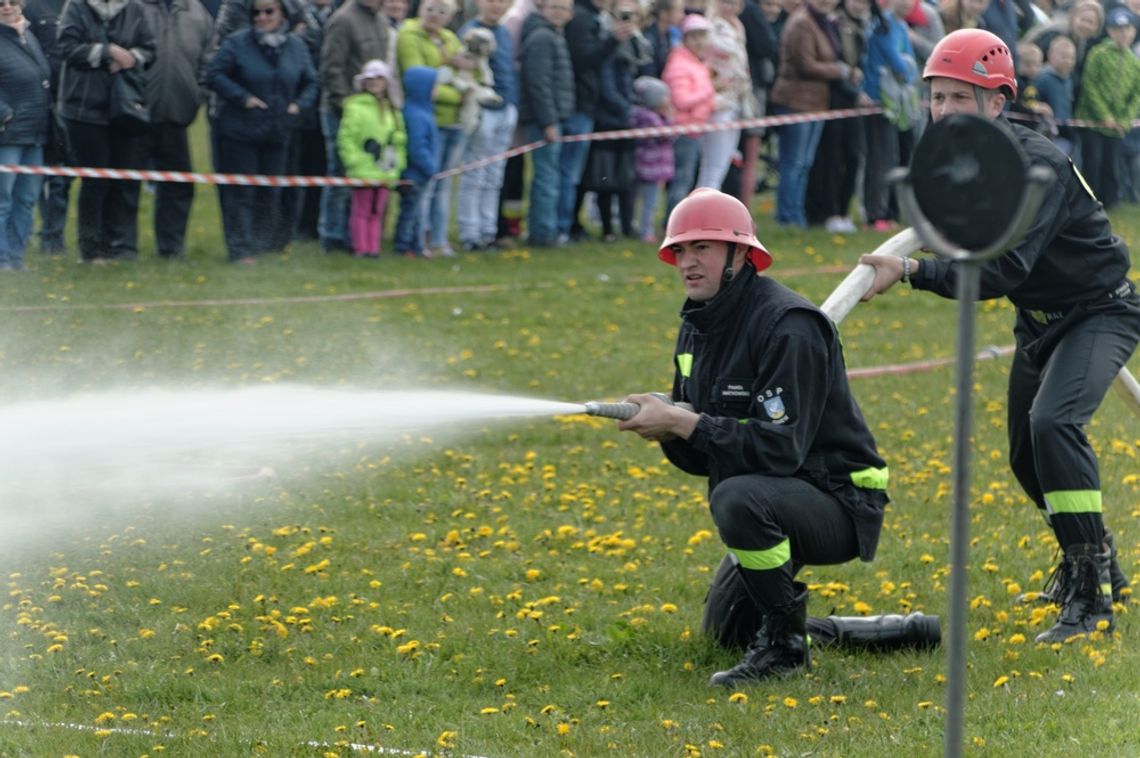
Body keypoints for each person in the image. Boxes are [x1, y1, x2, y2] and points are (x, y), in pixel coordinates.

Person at [859, 28, 1140, 644]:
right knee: (1025, 454)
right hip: (1038, 323)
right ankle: (1094, 560)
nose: (945, 111)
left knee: (1053, 425)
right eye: (938, 97)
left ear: (998, 102)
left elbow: (1001, 270)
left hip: (1099, 311)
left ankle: (1091, 601)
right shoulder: (961, 161)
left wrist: (908, 270)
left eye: (962, 98)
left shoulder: (1034, 165)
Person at [614, 188, 890, 686]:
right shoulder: (699, 323)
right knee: (727, 632)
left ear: (740, 255)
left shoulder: (789, 326)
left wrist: (683, 422)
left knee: (736, 497)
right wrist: (669, 429)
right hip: (776, 490)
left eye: (703, 247)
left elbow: (778, 450)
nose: (688, 262)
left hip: (838, 499)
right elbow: (706, 455)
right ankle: (881, 632)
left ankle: (786, 651)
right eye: (680, 250)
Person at [206, 0, 318, 263]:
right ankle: (240, 248)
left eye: (269, 12)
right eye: (257, 12)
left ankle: (263, 244)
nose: (262, 17)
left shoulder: (295, 46)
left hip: (277, 131)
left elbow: (311, 81)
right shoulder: (237, 42)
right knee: (242, 192)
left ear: (282, 15)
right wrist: (242, 97)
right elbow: (214, 74)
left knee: (270, 191)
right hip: (239, 131)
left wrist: (298, 105)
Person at [56, 0, 156, 263]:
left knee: (121, 180)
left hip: (124, 108)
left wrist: (130, 58)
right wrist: (106, 52)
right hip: (84, 109)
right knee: (95, 182)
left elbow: (150, 49)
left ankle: (117, 245)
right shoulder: (76, 7)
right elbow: (66, 48)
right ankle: (91, 249)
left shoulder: (135, 9)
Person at [769, 0, 863, 228]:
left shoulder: (822, 21)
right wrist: (840, 70)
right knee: (794, 163)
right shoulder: (802, 23)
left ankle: (797, 215)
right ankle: (788, 217)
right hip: (796, 102)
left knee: (804, 164)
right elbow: (806, 64)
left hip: (815, 103)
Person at [137, 0, 213, 260]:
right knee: (124, 185)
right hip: (135, 114)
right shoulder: (134, 7)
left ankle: (171, 247)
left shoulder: (196, 11)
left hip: (177, 113)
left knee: (179, 186)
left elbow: (209, 55)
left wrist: (197, 94)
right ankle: (121, 246)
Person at [317, 0, 389, 253]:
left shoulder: (380, 20)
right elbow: (330, 68)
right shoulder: (343, 19)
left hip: (372, 113)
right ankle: (332, 235)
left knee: (369, 175)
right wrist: (348, 106)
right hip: (342, 111)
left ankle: (358, 236)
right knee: (341, 173)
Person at [455, 0, 519, 252]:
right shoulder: (470, 32)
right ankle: (470, 233)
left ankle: (488, 230)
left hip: (505, 107)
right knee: (475, 172)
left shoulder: (503, 32)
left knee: (494, 175)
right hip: (483, 108)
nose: (496, 6)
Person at [517, 0, 575, 248]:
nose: (558, 12)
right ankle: (543, 234)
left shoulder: (554, 35)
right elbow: (538, 84)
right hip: (544, 121)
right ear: (543, 8)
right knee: (546, 178)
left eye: (563, 8)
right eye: (554, 7)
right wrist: (548, 121)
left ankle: (544, 229)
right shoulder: (542, 36)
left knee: (549, 176)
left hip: (553, 117)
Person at [0, 0, 51, 272]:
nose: (7, 7)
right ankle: (1, 258)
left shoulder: (28, 35)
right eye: (0, 3)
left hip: (35, 134)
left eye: (12, 2)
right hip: (7, 135)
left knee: (27, 198)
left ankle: (17, 256)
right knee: (2, 198)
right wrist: (4, 114)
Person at [338, 59, 406, 258]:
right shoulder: (355, 107)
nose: (374, 83)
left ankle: (373, 248)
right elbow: (346, 138)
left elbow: (399, 139)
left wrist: (397, 163)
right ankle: (361, 247)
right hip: (364, 167)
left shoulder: (393, 110)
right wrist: (354, 161)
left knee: (378, 209)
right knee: (362, 208)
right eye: (370, 79)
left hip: (385, 168)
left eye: (379, 79)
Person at [860, 0, 918, 232]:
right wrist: (905, 66)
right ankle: (875, 214)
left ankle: (891, 210)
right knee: (880, 159)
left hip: (899, 103)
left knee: (896, 156)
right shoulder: (881, 26)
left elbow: (911, 67)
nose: (906, 3)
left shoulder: (901, 26)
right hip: (879, 101)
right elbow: (902, 65)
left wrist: (906, 66)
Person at [1074, 8, 1140, 210]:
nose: (1123, 34)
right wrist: (1104, 116)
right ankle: (1088, 203)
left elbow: (1137, 94)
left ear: (1134, 32)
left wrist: (1124, 119)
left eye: (1127, 29)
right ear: (1109, 31)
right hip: (1093, 123)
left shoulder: (1134, 62)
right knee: (1092, 162)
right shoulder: (1098, 53)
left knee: (1110, 166)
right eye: (1118, 29)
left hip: (1117, 126)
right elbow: (1090, 85)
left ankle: (1109, 204)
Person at [23, 0, 70, 256]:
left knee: (62, 178)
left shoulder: (77, 7)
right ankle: (30, 232)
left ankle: (54, 237)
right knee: (37, 176)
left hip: (71, 102)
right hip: (40, 103)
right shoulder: (34, 8)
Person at [661, 13, 715, 223]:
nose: (700, 42)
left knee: (686, 179)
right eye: (694, 37)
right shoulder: (679, 64)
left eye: (703, 36)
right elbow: (681, 100)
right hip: (683, 130)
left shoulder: (696, 62)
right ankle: (672, 224)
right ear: (685, 39)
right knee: (681, 181)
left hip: (695, 129)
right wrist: (709, 91)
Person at [700, 0, 750, 192]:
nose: (729, 7)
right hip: (717, 100)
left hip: (736, 99)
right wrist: (711, 14)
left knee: (723, 163)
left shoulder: (737, 25)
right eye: (725, 2)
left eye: (734, 3)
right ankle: (703, 211)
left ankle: (711, 209)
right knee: (712, 165)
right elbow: (719, 47)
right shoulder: (711, 25)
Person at [395, 66, 439, 258]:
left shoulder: (425, 111)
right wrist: (430, 167)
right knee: (411, 212)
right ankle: (405, 245)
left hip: (422, 173)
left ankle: (416, 244)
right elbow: (416, 147)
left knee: (416, 211)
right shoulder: (415, 115)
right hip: (415, 174)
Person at [631, 76, 675, 242]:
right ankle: (646, 231)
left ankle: (636, 226)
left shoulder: (642, 115)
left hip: (646, 166)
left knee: (638, 200)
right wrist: (670, 118)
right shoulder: (650, 118)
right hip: (651, 168)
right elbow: (667, 136)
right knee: (650, 202)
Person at [1034, 35, 1076, 156]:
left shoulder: (1069, 80)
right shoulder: (1043, 78)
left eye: (1072, 58)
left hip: (1064, 131)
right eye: (1064, 57)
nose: (1068, 61)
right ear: (1051, 56)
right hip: (1047, 132)